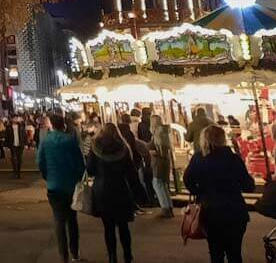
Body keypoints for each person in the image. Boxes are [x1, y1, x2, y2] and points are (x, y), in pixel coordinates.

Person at [184, 124, 255, 263]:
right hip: (235, 211)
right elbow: (248, 186)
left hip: (210, 212)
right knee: (235, 253)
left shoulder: (198, 159)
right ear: (223, 139)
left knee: (216, 253)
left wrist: (200, 192)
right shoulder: (234, 159)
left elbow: (188, 180)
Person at [86, 123, 138, 263]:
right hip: (121, 189)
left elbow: (90, 169)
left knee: (108, 228)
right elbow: (131, 173)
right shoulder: (123, 148)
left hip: (102, 191)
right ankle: (127, 255)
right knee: (123, 226)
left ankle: (112, 257)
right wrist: (137, 191)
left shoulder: (95, 147)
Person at [38, 112, 84, 263]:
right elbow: (80, 162)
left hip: (53, 186)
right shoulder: (70, 140)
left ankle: (62, 256)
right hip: (70, 186)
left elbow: (40, 162)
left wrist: (47, 176)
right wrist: (78, 178)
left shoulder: (46, 141)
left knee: (59, 221)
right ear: (63, 125)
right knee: (72, 220)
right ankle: (75, 254)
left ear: (51, 125)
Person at [148, 114, 174, 217]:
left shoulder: (158, 133)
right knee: (163, 184)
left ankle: (165, 208)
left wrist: (151, 152)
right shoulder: (164, 132)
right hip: (164, 162)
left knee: (157, 184)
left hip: (158, 162)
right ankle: (168, 207)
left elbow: (159, 151)